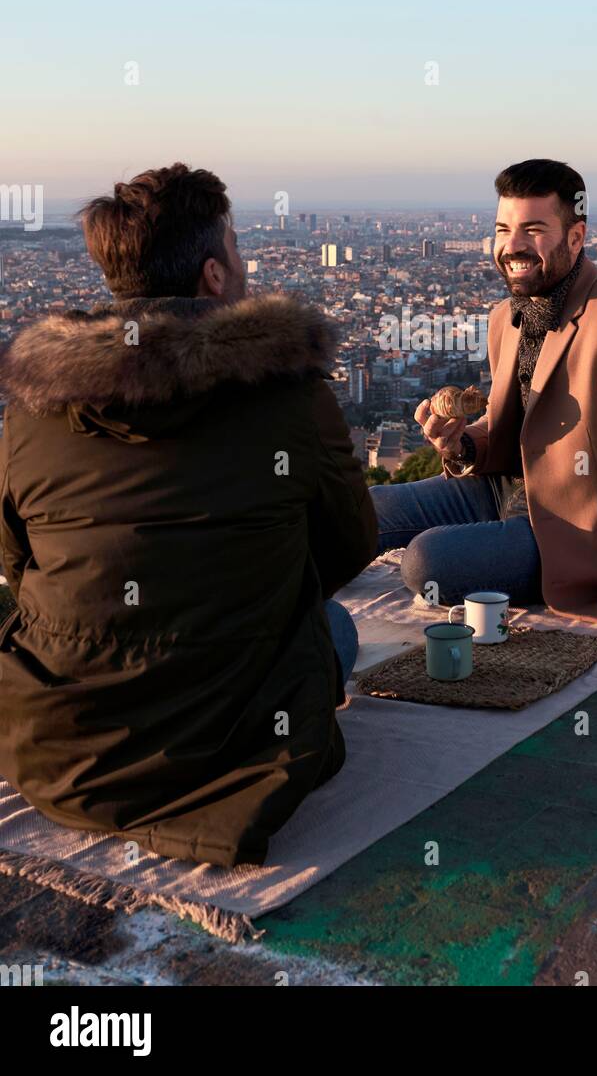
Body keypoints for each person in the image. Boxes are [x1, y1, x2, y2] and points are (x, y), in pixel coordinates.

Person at [0, 164, 376, 867]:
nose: (244, 265)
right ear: (213, 275)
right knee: (336, 628)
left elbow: (19, 565)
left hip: (57, 746)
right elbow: (351, 545)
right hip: (238, 753)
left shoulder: (35, 407)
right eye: (236, 248)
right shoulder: (289, 395)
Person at [371, 158, 597, 635]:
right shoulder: (507, 317)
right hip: (504, 491)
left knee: (427, 561)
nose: (513, 246)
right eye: (503, 230)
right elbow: (515, 430)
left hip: (576, 529)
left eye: (534, 230)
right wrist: (461, 444)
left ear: (576, 237)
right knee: (366, 510)